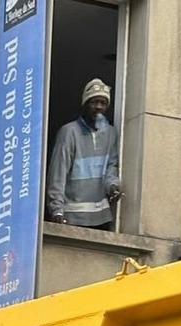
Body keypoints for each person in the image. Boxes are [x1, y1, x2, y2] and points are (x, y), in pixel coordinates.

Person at [47, 77, 121, 230]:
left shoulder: (111, 133)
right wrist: (56, 210)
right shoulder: (69, 132)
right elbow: (58, 172)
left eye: (103, 103)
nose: (99, 107)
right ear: (85, 104)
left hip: (101, 217)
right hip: (71, 215)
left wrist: (113, 186)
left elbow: (111, 167)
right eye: (94, 102)